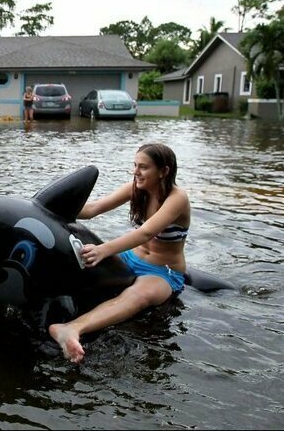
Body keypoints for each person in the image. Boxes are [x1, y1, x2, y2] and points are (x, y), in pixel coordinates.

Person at [48, 143, 189, 363]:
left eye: (143, 167)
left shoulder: (177, 198)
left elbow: (146, 232)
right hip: (130, 258)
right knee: (79, 263)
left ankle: (71, 329)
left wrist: (103, 250)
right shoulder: (137, 188)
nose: (136, 172)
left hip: (162, 272)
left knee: (137, 296)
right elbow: (94, 209)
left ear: (164, 171)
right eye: (135, 165)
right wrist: (55, 207)